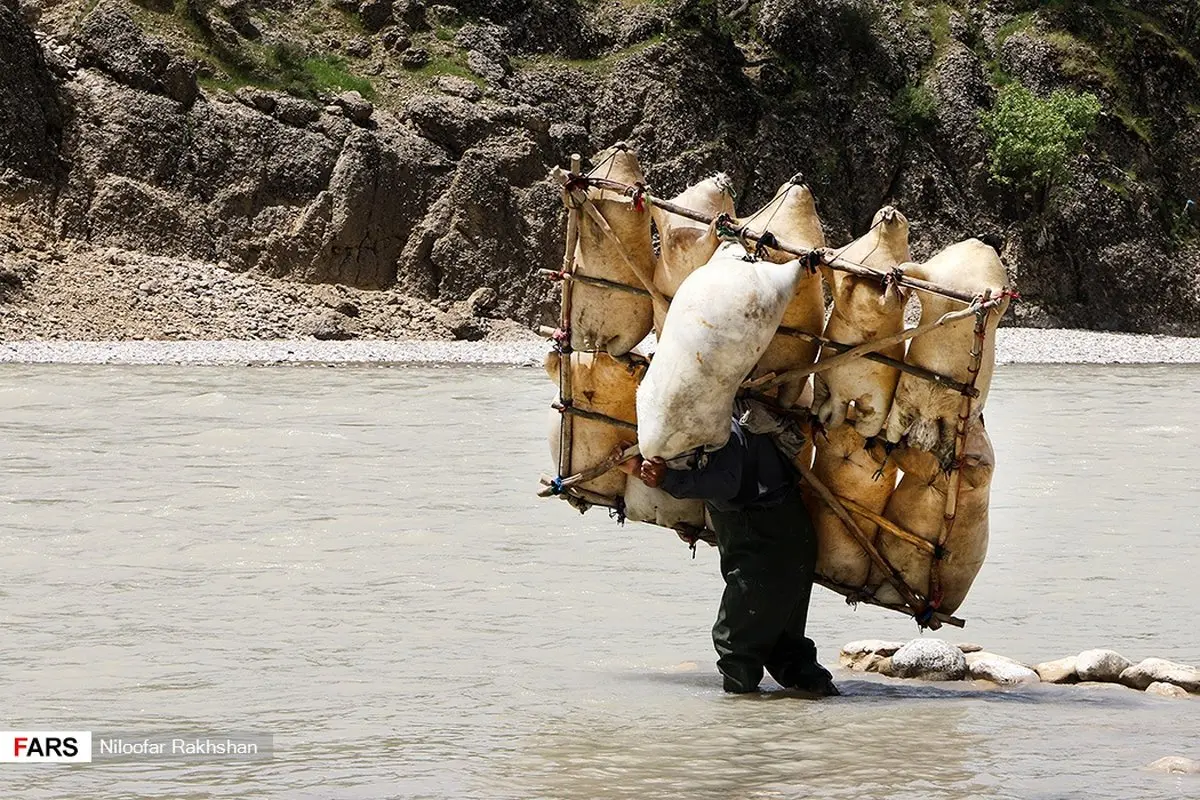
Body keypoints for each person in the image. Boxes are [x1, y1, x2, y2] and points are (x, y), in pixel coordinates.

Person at [620, 416, 838, 696]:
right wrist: (641, 472)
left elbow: (725, 485)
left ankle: (740, 724)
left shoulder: (725, 431)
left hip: (766, 545)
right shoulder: (735, 427)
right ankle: (820, 708)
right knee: (783, 648)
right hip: (784, 540)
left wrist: (667, 479)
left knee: (735, 640)